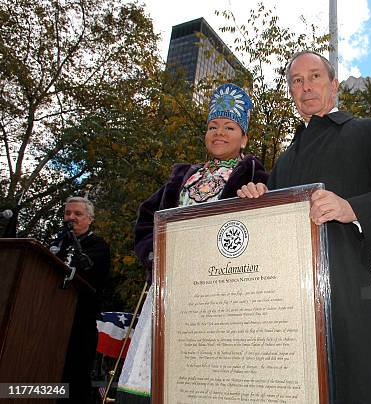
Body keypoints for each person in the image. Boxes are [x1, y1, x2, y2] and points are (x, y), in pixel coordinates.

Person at [238, 51, 371, 403]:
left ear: (334, 85)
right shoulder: (284, 161)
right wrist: (258, 201)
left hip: (358, 305)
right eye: (297, 80)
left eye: (315, 77)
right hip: (293, 312)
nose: (306, 86)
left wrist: (351, 207)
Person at [116, 83, 267, 403]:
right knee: (155, 378)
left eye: (229, 127)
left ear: (244, 138)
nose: (219, 133)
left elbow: (261, 234)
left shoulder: (253, 178)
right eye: (213, 127)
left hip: (219, 297)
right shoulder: (182, 176)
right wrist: (154, 254)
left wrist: (255, 200)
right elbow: (146, 219)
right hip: (169, 292)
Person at [52, 196, 111, 403]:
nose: (71, 218)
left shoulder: (98, 246)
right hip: (50, 321)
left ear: (90, 219)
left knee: (74, 380)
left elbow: (91, 277)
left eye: (77, 214)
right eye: (68, 213)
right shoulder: (55, 245)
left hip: (79, 323)